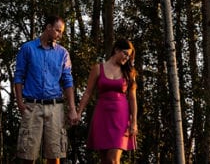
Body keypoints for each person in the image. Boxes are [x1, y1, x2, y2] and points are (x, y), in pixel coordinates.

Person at [14, 14, 79, 164]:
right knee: (27, 154)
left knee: (55, 153)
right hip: (32, 106)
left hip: (55, 107)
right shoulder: (27, 48)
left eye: (61, 31)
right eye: (58, 30)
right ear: (48, 27)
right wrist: (19, 102)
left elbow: (67, 81)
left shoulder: (63, 53)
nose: (60, 35)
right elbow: (19, 76)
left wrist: (72, 108)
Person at [75, 38, 138, 163]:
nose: (126, 58)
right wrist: (79, 112)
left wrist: (134, 122)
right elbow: (87, 93)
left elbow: (132, 98)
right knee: (104, 160)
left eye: (129, 56)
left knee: (112, 160)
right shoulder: (98, 69)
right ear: (116, 50)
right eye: (125, 53)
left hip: (121, 116)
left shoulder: (129, 73)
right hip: (102, 115)